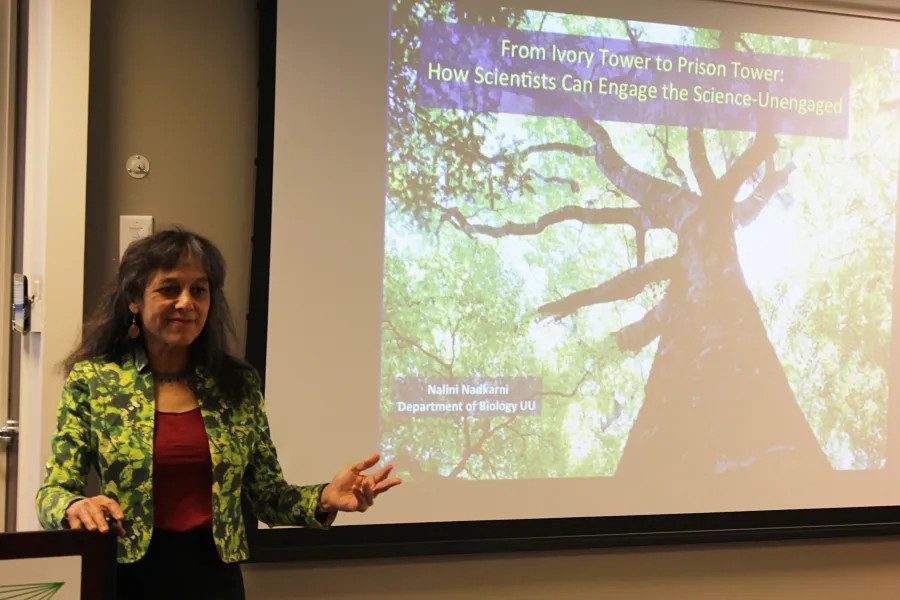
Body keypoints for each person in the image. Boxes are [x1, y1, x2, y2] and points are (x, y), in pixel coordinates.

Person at [35, 228, 401, 600]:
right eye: (169, 289)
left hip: (214, 578)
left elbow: (268, 495)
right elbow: (53, 492)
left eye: (199, 290)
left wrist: (326, 498)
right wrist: (74, 506)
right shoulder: (95, 380)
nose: (186, 303)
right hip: (124, 577)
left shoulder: (236, 384)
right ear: (134, 299)